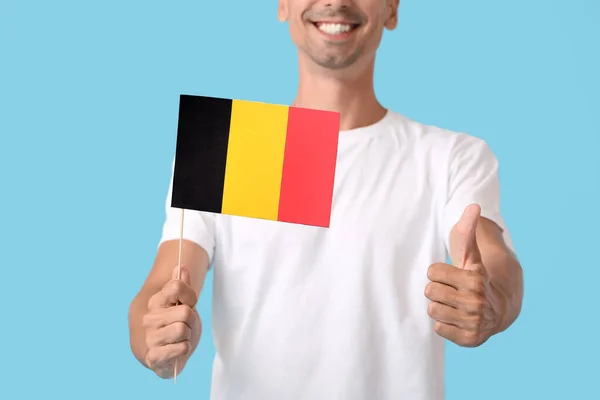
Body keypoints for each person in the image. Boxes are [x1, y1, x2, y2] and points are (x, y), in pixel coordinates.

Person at [128, 0, 524, 399]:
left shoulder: (450, 157)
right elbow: (162, 287)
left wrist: (491, 299)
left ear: (392, 10)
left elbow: (493, 264)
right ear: (283, 5)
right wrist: (156, 332)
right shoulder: (227, 149)